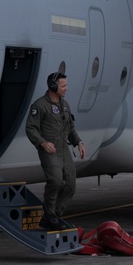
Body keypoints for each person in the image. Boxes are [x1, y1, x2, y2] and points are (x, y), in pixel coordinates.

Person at [26, 71, 86, 230]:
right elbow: (30, 128)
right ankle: (50, 214)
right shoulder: (40, 105)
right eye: (63, 86)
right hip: (49, 150)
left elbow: (70, 128)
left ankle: (53, 216)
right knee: (56, 181)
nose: (66, 89)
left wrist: (78, 142)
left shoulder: (65, 105)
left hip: (64, 149)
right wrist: (42, 143)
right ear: (53, 86)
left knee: (70, 185)